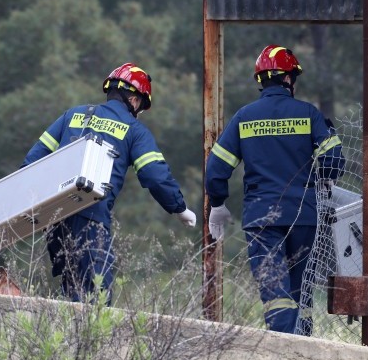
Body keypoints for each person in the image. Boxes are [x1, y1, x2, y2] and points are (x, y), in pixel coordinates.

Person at [22, 63, 196, 303]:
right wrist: (179, 208)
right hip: (91, 216)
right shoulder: (134, 130)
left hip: (54, 217)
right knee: (97, 294)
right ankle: (88, 341)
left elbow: (32, 161)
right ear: (134, 100)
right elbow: (155, 176)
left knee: (71, 287)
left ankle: (69, 340)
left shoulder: (72, 115)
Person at [205, 45, 345, 335]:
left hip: (262, 218)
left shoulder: (244, 118)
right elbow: (334, 160)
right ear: (289, 79)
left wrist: (218, 204)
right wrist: (323, 179)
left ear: (262, 80)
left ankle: (283, 353)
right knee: (300, 292)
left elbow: (216, 170)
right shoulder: (308, 113)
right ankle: (304, 352)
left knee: (276, 293)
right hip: (304, 217)